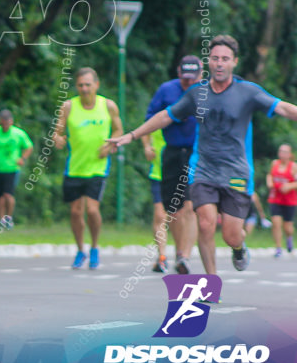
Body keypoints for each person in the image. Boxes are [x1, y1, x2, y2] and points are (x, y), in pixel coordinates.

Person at [109, 34, 297, 274]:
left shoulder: (248, 92)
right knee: (206, 224)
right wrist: (132, 135)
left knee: (230, 234)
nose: (220, 63)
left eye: (225, 59)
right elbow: (166, 115)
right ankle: (211, 281)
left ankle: (238, 247)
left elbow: (281, 107)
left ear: (234, 62)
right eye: (215, 58)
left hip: (236, 170)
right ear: (209, 61)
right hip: (203, 170)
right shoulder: (197, 94)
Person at [53, 67, 123, 270]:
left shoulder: (108, 105)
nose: (84, 89)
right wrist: (57, 139)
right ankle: (80, 250)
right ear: (77, 86)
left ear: (96, 85)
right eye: (81, 85)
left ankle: (94, 247)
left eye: (88, 84)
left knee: (92, 210)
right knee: (75, 212)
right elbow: (57, 131)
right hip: (74, 167)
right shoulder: (68, 106)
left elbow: (119, 130)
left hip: (98, 167)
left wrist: (110, 146)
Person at [142, 55, 202, 274]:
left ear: (200, 74)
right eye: (185, 78)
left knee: (190, 208)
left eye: (192, 78)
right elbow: (150, 118)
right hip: (172, 152)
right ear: (178, 73)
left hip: (197, 153)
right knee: (173, 211)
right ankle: (178, 253)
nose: (188, 82)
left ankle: (185, 256)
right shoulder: (166, 90)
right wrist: (146, 144)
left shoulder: (207, 91)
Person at [0, 109, 32, 229]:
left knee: (8, 194)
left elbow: (28, 147)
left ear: (11, 121)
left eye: (8, 121)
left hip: (12, 168)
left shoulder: (18, 133)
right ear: (0, 122)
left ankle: (9, 218)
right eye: (3, 121)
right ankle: (1, 220)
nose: (5, 124)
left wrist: (22, 159)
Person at [267, 143, 297, 257]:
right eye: (281, 151)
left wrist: (289, 186)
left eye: (285, 152)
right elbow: (269, 175)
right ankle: (278, 247)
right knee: (276, 223)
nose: (282, 154)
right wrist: (269, 182)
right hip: (275, 198)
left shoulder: (293, 167)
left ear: (290, 154)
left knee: (288, 227)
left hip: (289, 200)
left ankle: (289, 238)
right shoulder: (274, 163)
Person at [147, 129, 169, 272]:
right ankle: (162, 257)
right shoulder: (157, 110)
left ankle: (182, 257)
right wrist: (147, 146)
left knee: (180, 218)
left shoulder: (186, 111)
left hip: (182, 173)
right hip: (158, 174)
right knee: (160, 216)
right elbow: (145, 130)